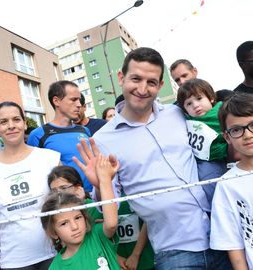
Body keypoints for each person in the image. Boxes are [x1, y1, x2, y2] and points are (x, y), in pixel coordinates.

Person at [73, 47, 232, 269]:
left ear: (160, 85)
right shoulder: (103, 140)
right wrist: (101, 185)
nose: (142, 89)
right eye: (135, 78)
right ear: (121, 77)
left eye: (151, 82)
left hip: (223, 236)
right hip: (174, 250)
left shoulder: (178, 113)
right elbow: (110, 208)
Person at [0, 101, 60, 270]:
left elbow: (68, 201)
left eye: (16, 119)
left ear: (25, 123)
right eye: (4, 122)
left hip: (54, 254)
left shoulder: (50, 158)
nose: (11, 126)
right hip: (13, 261)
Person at [41, 153, 120, 270]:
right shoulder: (56, 267)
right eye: (64, 223)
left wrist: (104, 180)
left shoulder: (97, 236)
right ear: (53, 232)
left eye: (77, 218)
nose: (74, 227)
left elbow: (111, 223)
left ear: (85, 217)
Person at [210, 93, 253, 269]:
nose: (248, 135)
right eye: (236, 130)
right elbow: (233, 246)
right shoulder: (227, 186)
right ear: (227, 137)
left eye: (252, 125)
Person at [27, 80, 93, 192]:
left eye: (79, 100)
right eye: (73, 100)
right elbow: (34, 173)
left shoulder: (84, 130)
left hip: (94, 196)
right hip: (65, 200)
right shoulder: (39, 135)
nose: (79, 105)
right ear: (56, 101)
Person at [177, 78, 228, 203]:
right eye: (189, 103)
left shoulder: (226, 111)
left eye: (199, 98)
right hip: (208, 162)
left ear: (211, 98)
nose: (195, 105)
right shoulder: (187, 122)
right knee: (208, 183)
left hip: (234, 156)